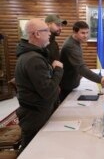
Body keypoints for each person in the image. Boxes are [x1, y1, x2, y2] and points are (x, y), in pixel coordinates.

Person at [15, 18, 64, 152]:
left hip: (36, 111)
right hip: (35, 116)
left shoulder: (33, 54)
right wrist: (58, 70)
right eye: (46, 31)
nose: (49, 34)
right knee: (32, 151)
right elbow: (48, 91)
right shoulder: (33, 58)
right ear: (36, 34)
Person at [59, 21, 104, 102]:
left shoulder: (75, 41)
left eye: (87, 32)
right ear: (75, 32)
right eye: (82, 33)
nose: (86, 36)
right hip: (68, 86)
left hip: (73, 82)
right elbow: (80, 67)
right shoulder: (71, 46)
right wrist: (101, 79)